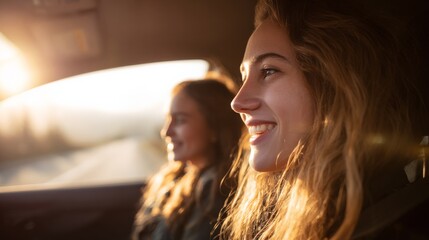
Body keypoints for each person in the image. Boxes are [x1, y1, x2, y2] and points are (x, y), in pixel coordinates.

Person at [220, 0, 429, 239]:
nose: (237, 102)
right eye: (243, 77)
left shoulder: (395, 224)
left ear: (337, 86)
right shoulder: (296, 210)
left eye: (268, 71)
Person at [132, 77, 244, 240]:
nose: (166, 132)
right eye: (168, 119)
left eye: (180, 120)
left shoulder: (217, 191)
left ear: (214, 128)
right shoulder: (176, 177)